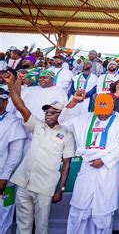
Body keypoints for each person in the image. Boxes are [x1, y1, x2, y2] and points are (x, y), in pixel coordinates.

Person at [4, 72, 74, 234]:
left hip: (44, 187)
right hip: (23, 183)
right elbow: (20, 106)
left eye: (53, 112)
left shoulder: (67, 134)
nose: (48, 114)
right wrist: (11, 84)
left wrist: (61, 189)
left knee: (41, 228)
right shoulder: (37, 125)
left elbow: (67, 164)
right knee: (23, 226)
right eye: (47, 111)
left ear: (61, 115)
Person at [59, 92, 119, 234]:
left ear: (112, 107)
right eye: (99, 112)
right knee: (79, 207)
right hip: (87, 166)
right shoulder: (85, 118)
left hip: (108, 168)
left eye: (105, 113)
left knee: (103, 211)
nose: (102, 116)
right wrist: (74, 101)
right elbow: (63, 122)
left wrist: (104, 160)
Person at [0, 88, 28, 234]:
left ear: (6, 102)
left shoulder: (14, 122)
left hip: (5, 178)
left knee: (4, 211)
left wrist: (4, 177)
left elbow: (15, 155)